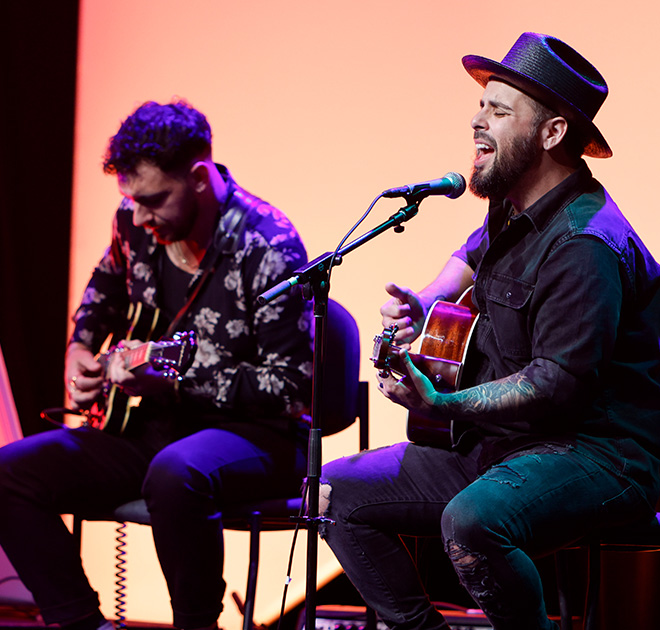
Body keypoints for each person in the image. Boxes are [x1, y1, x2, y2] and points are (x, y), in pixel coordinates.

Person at [319, 32, 660, 630]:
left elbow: (559, 386)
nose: (478, 120)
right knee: (329, 495)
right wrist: (427, 298)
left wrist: (443, 400)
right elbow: (477, 250)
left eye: (499, 111)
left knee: (474, 523)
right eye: (482, 104)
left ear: (551, 133)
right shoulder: (515, 199)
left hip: (599, 455)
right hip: (503, 446)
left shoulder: (585, 244)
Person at [0, 100, 313, 630]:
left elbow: (289, 386)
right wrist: (80, 353)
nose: (140, 217)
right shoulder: (134, 222)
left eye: (152, 200)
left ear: (196, 177)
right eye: (131, 202)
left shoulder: (269, 246)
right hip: (148, 431)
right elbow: (100, 297)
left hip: (253, 437)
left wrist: (173, 377)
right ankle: (78, 622)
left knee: (176, 474)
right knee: (9, 474)